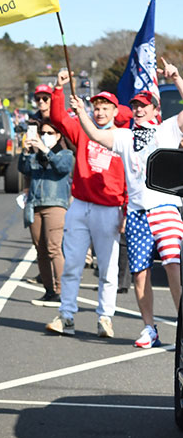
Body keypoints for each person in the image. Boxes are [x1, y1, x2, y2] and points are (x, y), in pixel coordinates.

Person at [69, 60, 183, 348]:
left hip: (165, 209)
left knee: (172, 265)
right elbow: (95, 134)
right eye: (136, 105)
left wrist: (177, 78)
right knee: (140, 272)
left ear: (156, 110)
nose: (140, 109)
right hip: (136, 213)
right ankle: (149, 328)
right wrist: (82, 113)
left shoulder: (167, 130)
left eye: (145, 105)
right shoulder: (124, 136)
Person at [45, 70, 131, 337]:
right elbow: (58, 118)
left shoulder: (124, 137)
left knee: (107, 267)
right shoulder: (83, 129)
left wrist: (126, 210)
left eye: (105, 108)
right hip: (81, 205)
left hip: (109, 208)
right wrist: (59, 89)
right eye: (96, 107)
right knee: (72, 263)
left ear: (115, 112)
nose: (100, 112)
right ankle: (66, 316)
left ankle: (105, 318)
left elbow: (132, 176)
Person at [19, 117, 73, 306]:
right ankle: (49, 290)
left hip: (55, 205)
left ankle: (61, 290)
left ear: (58, 135)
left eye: (50, 133)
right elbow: (23, 168)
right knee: (40, 250)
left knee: (53, 248)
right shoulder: (35, 156)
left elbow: (62, 167)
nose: (45, 136)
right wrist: (25, 151)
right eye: (43, 133)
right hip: (35, 205)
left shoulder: (64, 154)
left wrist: (44, 148)